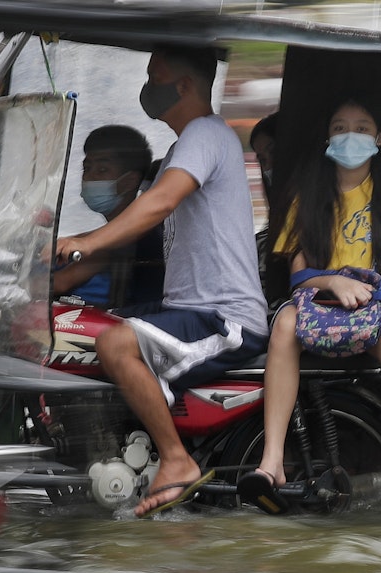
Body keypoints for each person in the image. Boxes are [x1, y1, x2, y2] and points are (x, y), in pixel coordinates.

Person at [54, 45, 269, 518]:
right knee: (82, 331)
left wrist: (81, 245)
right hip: (187, 309)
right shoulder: (181, 148)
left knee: (113, 344)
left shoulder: (206, 134)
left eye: (156, 76)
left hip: (223, 316)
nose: (148, 87)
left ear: (185, 86)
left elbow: (159, 204)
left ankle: (176, 460)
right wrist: (53, 263)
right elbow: (127, 232)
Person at [241, 95, 381, 520]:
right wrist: (332, 280)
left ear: (380, 137)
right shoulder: (305, 196)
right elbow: (297, 277)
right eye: (340, 127)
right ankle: (272, 460)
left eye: (363, 128)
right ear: (327, 137)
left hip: (375, 313)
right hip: (318, 310)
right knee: (283, 325)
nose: (351, 136)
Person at [53, 125, 162, 305]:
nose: (89, 177)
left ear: (129, 181)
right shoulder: (113, 232)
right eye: (86, 168)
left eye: (102, 170)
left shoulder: (124, 237)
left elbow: (60, 283)